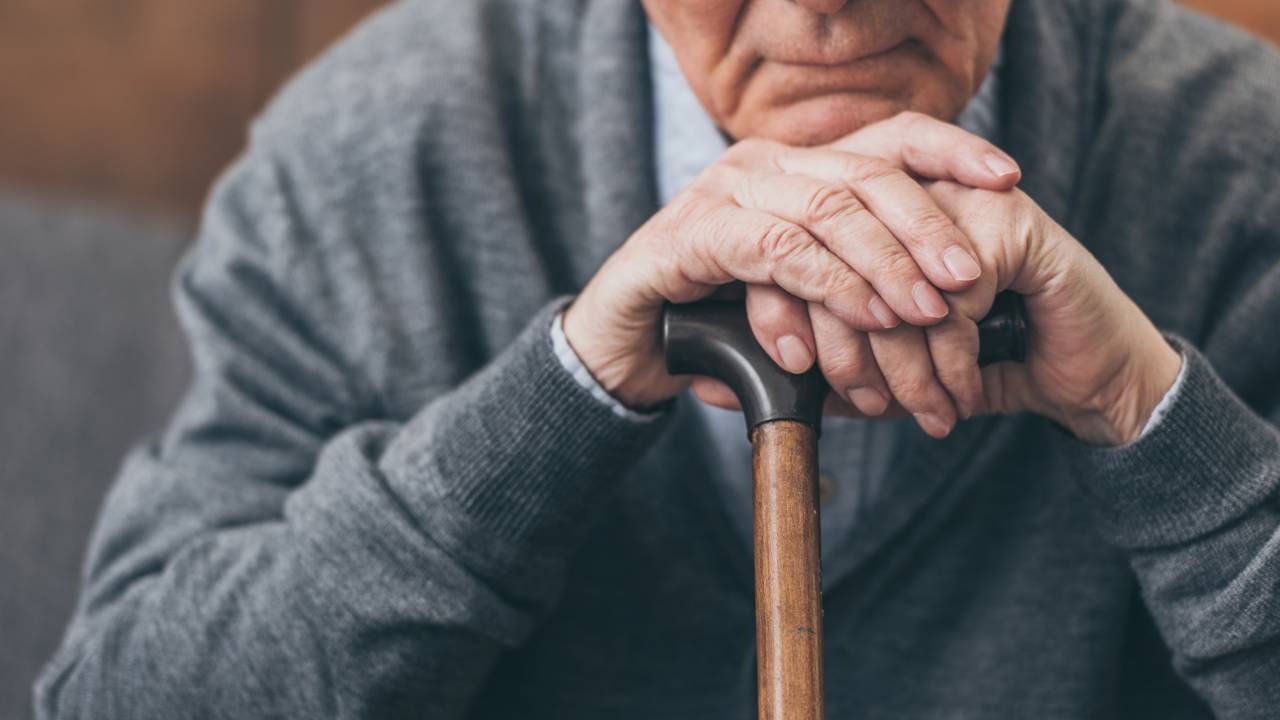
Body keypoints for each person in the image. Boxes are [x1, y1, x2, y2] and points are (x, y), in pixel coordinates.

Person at [35, 0, 1280, 717]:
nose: (824, 6)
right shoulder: (368, 155)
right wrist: (557, 400)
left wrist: (1150, 416)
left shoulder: (1242, 163)